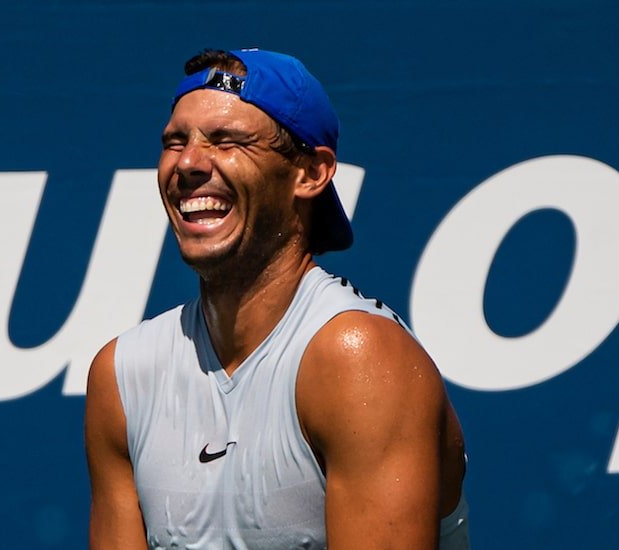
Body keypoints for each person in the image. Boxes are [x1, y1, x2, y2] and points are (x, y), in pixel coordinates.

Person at [85, 48, 470, 549]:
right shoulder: (121, 375)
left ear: (310, 174)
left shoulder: (358, 358)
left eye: (227, 141)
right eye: (175, 142)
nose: (187, 164)